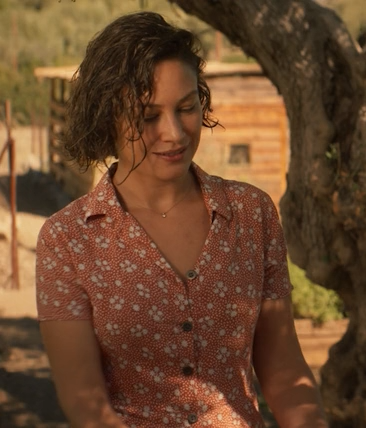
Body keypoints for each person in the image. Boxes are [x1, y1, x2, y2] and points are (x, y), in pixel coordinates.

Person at [35, 11, 328, 428]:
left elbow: (283, 370)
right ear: (107, 118)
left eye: (187, 108)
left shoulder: (252, 214)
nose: (173, 133)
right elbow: (85, 402)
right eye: (148, 116)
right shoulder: (68, 239)